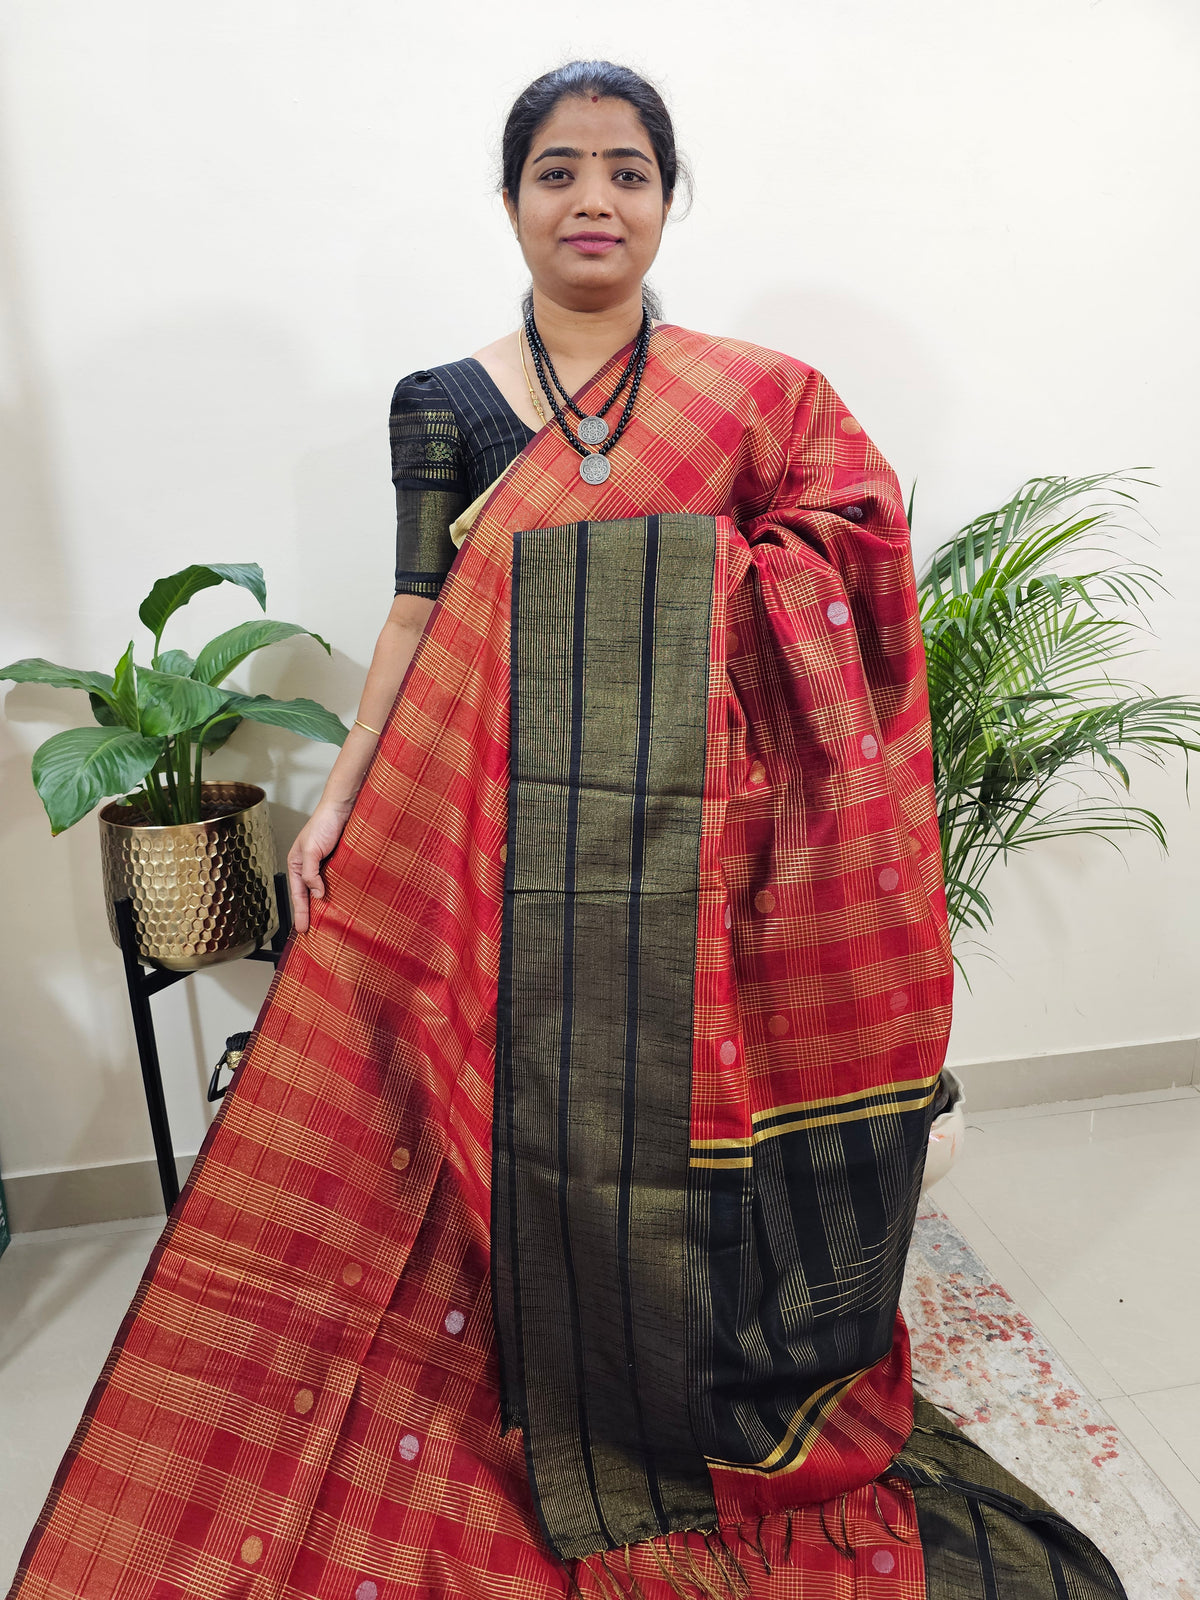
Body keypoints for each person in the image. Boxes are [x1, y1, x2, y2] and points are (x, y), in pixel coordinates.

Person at [10, 60, 1125, 1600]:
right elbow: (422, 611)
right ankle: (536, 1356)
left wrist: (711, 583)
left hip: (695, 860)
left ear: (667, 198)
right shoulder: (447, 402)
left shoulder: (757, 396)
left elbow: (848, 546)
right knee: (498, 1121)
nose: (593, 199)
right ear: (513, 195)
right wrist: (341, 801)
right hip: (492, 845)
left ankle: (676, 1366)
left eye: (625, 170)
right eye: (557, 170)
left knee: (666, 1131)